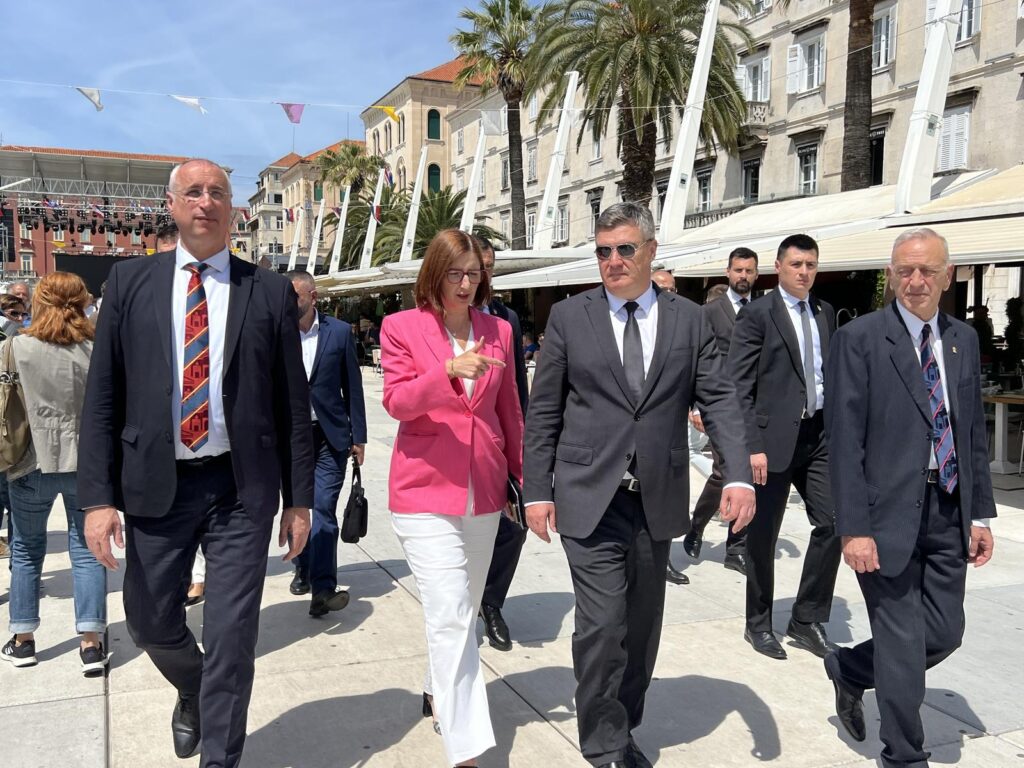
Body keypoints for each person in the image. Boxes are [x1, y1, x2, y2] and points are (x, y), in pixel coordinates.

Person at [79, 158, 313, 768]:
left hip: (240, 489)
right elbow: (102, 398)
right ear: (172, 204)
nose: (205, 201)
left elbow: (293, 404)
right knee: (149, 622)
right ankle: (194, 686)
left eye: (217, 192)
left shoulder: (268, 290)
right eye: (193, 192)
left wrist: (300, 500)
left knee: (233, 637)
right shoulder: (128, 283)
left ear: (233, 208)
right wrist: (97, 499)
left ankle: (220, 757)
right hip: (157, 486)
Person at [524, 202, 754, 768]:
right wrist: (536, 490)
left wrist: (738, 473)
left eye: (625, 249)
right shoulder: (569, 317)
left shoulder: (689, 320)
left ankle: (624, 724)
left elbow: (720, 399)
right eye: (603, 251)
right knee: (603, 626)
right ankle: (604, 745)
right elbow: (544, 410)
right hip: (588, 495)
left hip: (656, 498)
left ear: (651, 251)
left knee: (643, 626)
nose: (613, 260)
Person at [823, 228, 995, 767]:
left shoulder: (962, 339)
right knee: (901, 644)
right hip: (883, 516)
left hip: (948, 509)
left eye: (927, 271)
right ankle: (902, 755)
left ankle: (852, 668)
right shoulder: (859, 339)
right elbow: (844, 441)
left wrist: (980, 514)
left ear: (948, 276)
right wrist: (853, 528)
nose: (915, 281)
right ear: (890, 275)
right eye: (904, 271)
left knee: (943, 633)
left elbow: (971, 431)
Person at [381, 229, 523, 767]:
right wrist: (445, 371)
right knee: (450, 612)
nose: (465, 284)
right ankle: (465, 748)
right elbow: (397, 402)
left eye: (474, 274)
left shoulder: (499, 330)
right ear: (434, 275)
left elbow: (510, 411)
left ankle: (435, 686)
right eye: (455, 274)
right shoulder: (401, 327)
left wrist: (524, 480)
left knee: (460, 610)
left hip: (483, 489)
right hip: (423, 490)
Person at [728, 234, 841, 661]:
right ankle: (757, 623)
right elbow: (738, 386)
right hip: (770, 443)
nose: (804, 272)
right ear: (779, 267)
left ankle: (806, 619)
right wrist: (751, 445)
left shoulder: (825, 312)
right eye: (796, 264)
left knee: (834, 522)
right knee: (763, 537)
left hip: (818, 437)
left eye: (811, 264)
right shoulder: (758, 314)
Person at [0, 272, 107, 674]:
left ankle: (23, 639)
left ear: (39, 302)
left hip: (30, 460)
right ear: (82, 302)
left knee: (26, 550)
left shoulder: (15, 347)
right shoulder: (95, 349)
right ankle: (91, 643)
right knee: (88, 550)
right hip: (86, 463)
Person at [286, 270, 367, 616]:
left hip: (330, 437)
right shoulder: (277, 331)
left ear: (313, 296)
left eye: (295, 296)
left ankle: (323, 587)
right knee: (297, 507)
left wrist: (358, 436)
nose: (289, 303)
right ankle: (302, 566)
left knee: (323, 508)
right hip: (292, 438)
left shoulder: (339, 332)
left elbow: (353, 386)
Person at [680, 248, 759, 578]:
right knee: (726, 471)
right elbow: (696, 359)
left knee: (746, 475)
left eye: (749, 271)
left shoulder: (762, 310)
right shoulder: (710, 312)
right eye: (738, 270)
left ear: (756, 274)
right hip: (719, 407)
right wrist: (696, 406)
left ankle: (735, 547)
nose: (743, 276)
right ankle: (698, 527)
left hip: (755, 408)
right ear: (728, 272)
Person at [475, 236, 529, 652]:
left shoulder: (506, 318)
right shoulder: (437, 318)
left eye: (490, 266)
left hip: (499, 442)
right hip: (454, 448)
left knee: (514, 528)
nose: (485, 275)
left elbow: (517, 390)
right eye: (480, 266)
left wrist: (525, 445)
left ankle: (491, 602)